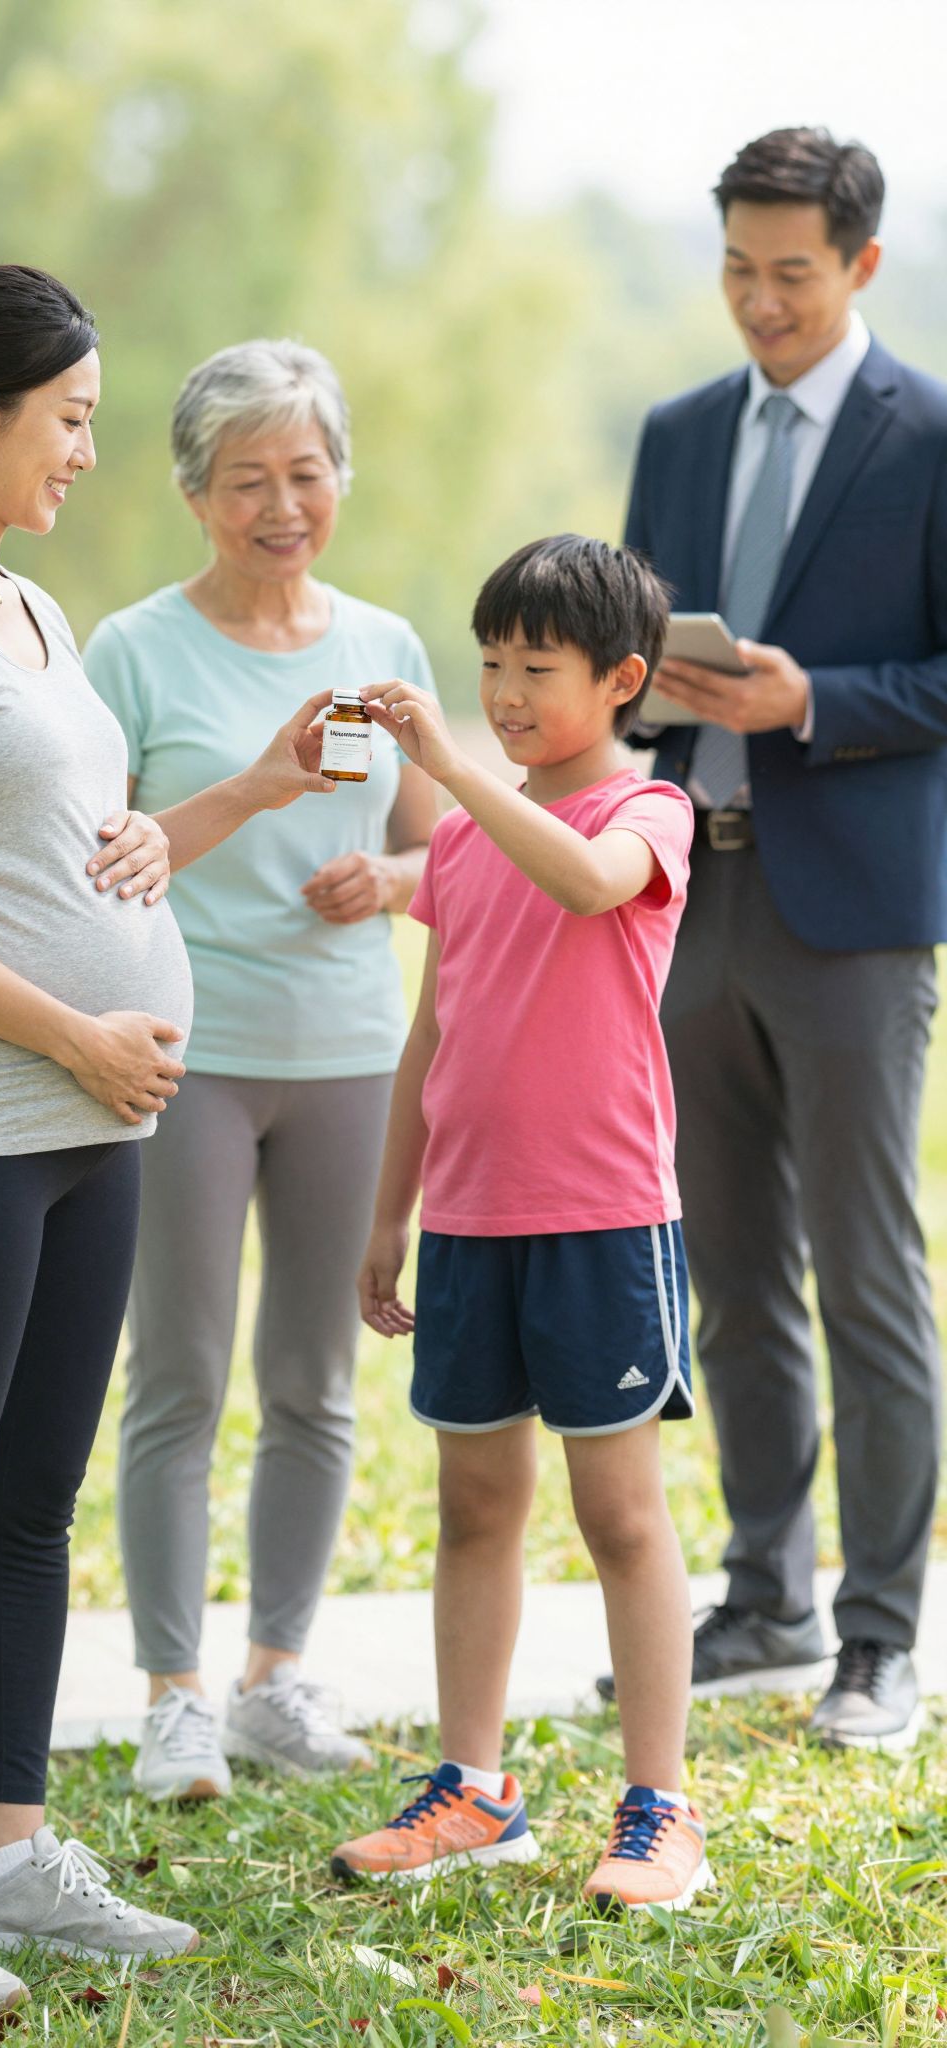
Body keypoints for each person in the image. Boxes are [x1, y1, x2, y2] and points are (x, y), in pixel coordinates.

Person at [0, 267, 335, 2018]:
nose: (90, 451)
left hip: (91, 1126)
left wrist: (234, 799)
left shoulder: (29, 608)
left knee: (33, 1506)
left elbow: (86, 852)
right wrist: (77, 1035)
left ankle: (7, 1855)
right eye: (74, 419)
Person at [599, 128, 947, 1751]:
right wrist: (629, 689)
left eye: (791, 274)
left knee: (866, 1274)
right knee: (731, 1273)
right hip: (687, 897)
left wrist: (816, 700)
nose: (759, 301)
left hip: (854, 919)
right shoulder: (677, 435)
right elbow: (626, 660)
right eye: (738, 269)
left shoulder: (929, 434)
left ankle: (878, 1638)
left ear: (861, 263)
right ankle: (766, 1597)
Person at [328, 535, 711, 1914]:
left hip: (604, 1217)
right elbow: (435, 1031)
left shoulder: (647, 811)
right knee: (474, 1505)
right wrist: (391, 1214)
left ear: (621, 680)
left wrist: (453, 768)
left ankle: (661, 1807)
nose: (502, 693)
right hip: (471, 1221)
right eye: (490, 664)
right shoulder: (461, 840)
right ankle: (474, 1791)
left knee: (620, 1516)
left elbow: (589, 883)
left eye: (536, 669)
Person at [83, 339, 437, 1800]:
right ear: (193, 493)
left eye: (306, 473)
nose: (283, 507)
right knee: (175, 1374)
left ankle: (276, 1678)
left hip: (350, 1056)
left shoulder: (388, 647)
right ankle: (175, 1694)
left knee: (315, 1380)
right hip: (187, 1056)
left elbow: (442, 843)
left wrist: (392, 884)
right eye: (247, 481)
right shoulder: (133, 652)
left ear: (340, 478)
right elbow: (93, 863)